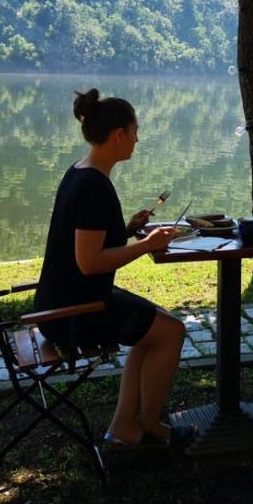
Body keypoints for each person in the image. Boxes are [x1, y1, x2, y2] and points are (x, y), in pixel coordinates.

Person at [33, 88, 193, 450]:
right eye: (135, 132)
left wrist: (129, 230)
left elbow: (88, 246)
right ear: (119, 134)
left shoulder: (80, 172)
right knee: (170, 333)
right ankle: (149, 425)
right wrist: (147, 245)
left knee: (152, 328)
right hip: (73, 312)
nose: (137, 140)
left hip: (63, 300)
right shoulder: (95, 187)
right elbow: (88, 263)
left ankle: (126, 425)